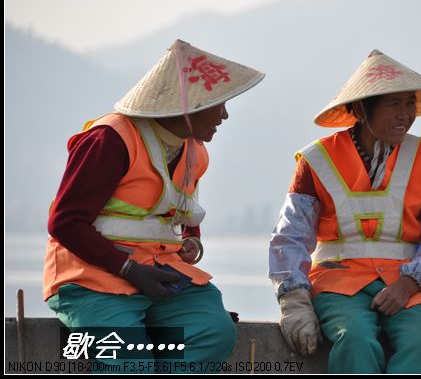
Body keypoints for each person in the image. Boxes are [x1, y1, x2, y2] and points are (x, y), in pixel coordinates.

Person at [43, 39, 264, 373]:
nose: (225, 114)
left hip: (160, 275)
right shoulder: (110, 140)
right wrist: (128, 269)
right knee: (129, 359)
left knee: (213, 332)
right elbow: (64, 223)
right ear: (186, 107)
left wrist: (191, 242)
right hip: (90, 279)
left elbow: (181, 213)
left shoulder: (195, 152)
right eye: (218, 104)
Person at [269, 50, 421, 374]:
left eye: (410, 103)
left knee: (420, 340)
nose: (406, 114)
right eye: (394, 104)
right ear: (362, 109)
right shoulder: (316, 160)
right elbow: (290, 235)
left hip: (411, 284)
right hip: (337, 282)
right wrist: (294, 300)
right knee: (355, 338)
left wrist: (410, 284)